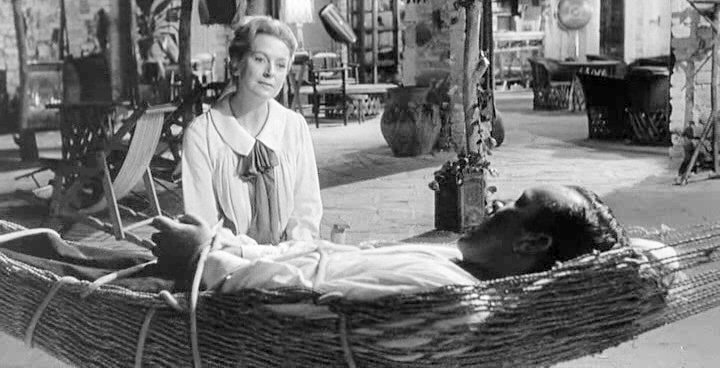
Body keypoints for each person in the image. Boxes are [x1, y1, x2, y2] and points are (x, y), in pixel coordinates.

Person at [151, 185, 678, 300]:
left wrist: (204, 258)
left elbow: (301, 295)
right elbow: (325, 258)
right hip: (239, 260)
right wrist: (234, 244)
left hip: (213, 289)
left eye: (516, 204)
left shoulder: (440, 290)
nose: (496, 203)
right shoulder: (453, 260)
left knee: (123, 251)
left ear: (531, 243)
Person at [182, 17, 322, 245]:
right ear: (236, 64)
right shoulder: (202, 135)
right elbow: (205, 228)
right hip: (226, 259)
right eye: (260, 59)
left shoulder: (294, 127)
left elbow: (306, 214)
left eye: (280, 65)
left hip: (291, 257)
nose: (270, 72)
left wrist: (293, 253)